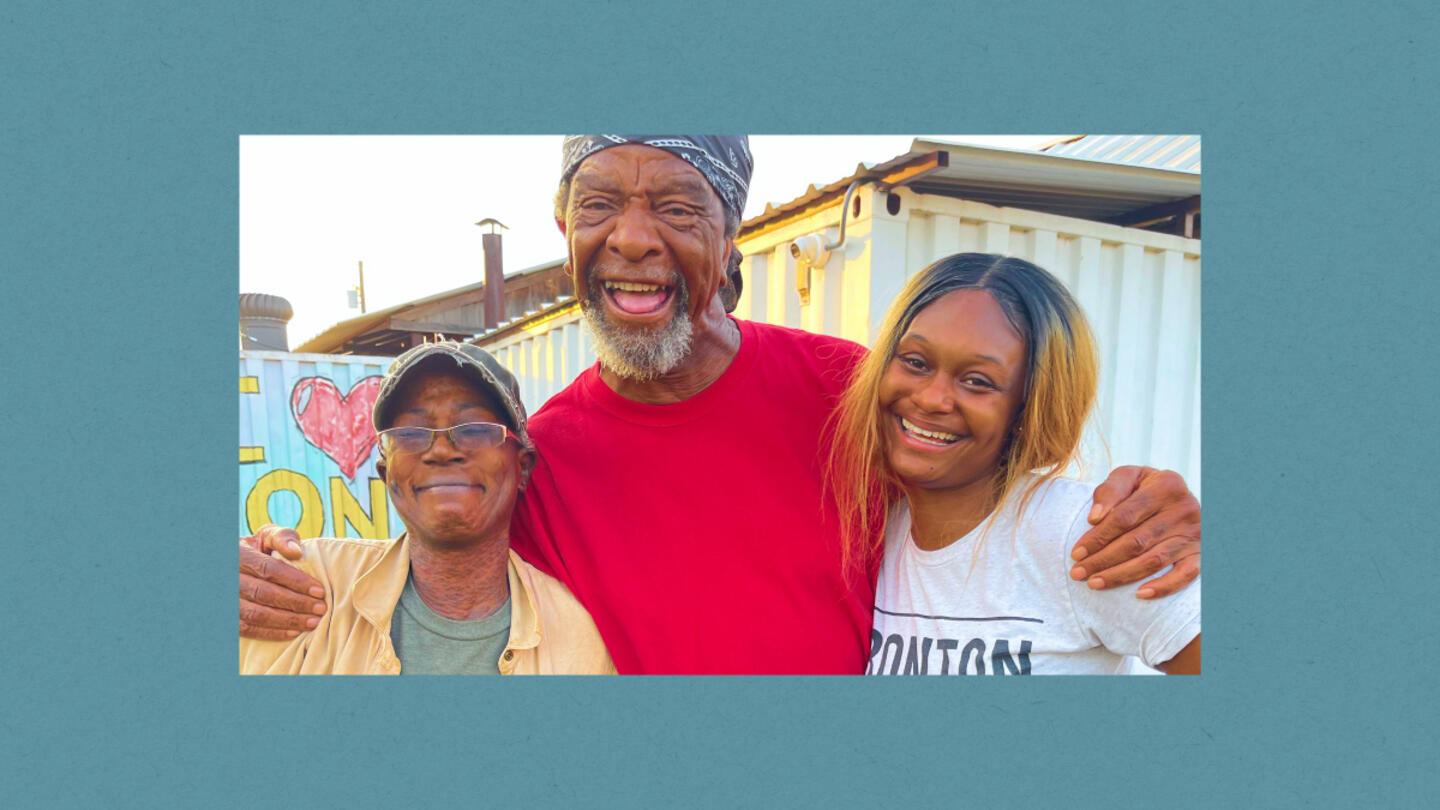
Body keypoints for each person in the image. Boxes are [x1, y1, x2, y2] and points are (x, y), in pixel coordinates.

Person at [240, 135, 1203, 674]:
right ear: (564, 233)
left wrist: (1146, 509)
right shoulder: (541, 454)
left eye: (676, 206)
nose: (632, 239)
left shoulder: (851, 391)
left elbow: (986, 483)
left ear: (731, 235)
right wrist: (253, 573)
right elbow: (421, 558)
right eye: (598, 204)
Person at [830, 254, 1199, 675]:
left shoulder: (1084, 536)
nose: (932, 398)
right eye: (916, 362)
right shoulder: (873, 525)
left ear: (1030, 409)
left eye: (977, 382)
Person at [240, 341, 614, 675]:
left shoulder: (578, 634)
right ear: (387, 473)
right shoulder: (306, 588)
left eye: (474, 428)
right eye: (411, 433)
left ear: (522, 468)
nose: (441, 449)